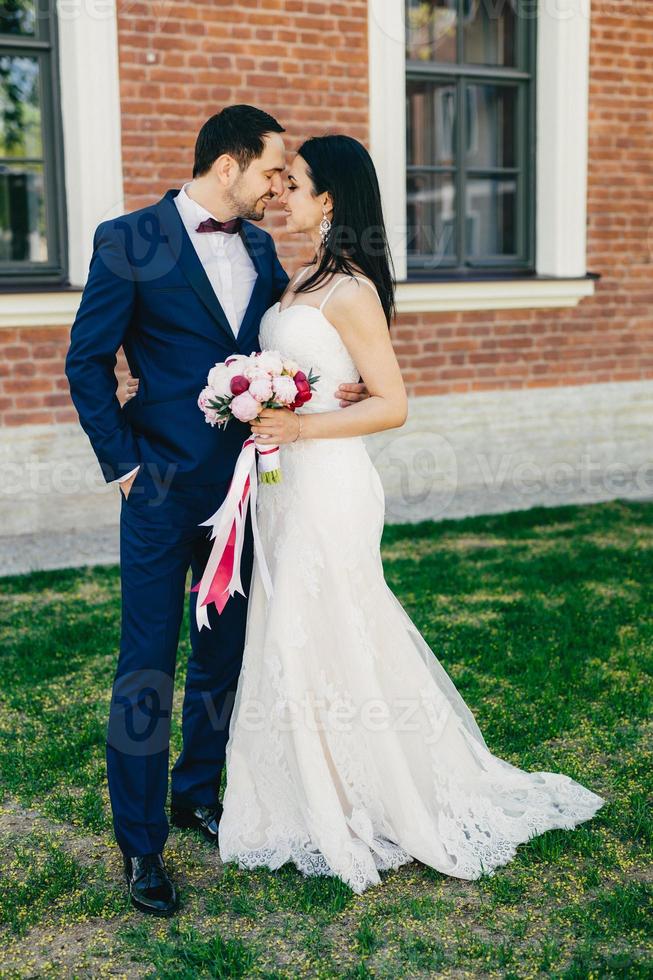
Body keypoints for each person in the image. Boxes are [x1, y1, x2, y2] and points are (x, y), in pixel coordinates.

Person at [213, 134, 606, 895]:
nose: (280, 196)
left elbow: (393, 404)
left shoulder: (350, 288)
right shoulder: (299, 281)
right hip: (282, 481)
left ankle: (377, 790)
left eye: (292, 185)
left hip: (327, 478)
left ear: (328, 198)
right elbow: (325, 378)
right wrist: (267, 400)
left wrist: (302, 425)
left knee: (330, 621)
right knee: (291, 625)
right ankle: (308, 784)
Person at [65, 106, 369, 917]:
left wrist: (331, 383)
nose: (279, 187)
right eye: (272, 170)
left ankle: (195, 791)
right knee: (145, 666)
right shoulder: (126, 238)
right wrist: (123, 466)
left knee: (223, 653)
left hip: (246, 490)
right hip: (160, 491)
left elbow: (286, 345)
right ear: (229, 163)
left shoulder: (264, 248)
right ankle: (139, 846)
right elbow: (87, 362)